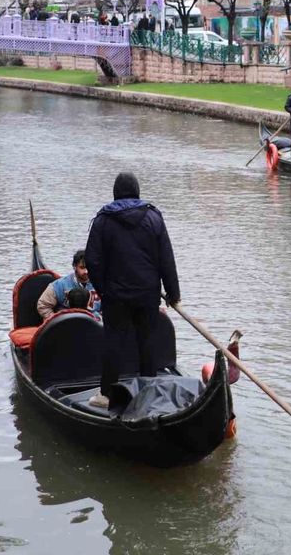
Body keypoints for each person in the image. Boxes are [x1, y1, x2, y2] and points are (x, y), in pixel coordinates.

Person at [85, 172, 180, 408]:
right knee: (147, 342)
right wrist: (173, 293)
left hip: (115, 296)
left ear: (115, 193)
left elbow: (92, 261)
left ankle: (106, 395)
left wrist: (103, 289)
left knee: (113, 343)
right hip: (147, 294)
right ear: (137, 191)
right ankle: (148, 392)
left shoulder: (103, 220)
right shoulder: (154, 218)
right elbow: (166, 259)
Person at [36, 249, 101, 320]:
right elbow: (43, 305)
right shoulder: (59, 285)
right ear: (74, 266)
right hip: (67, 323)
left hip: (95, 324)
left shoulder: (102, 285)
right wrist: (55, 320)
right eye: (82, 268)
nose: (86, 271)